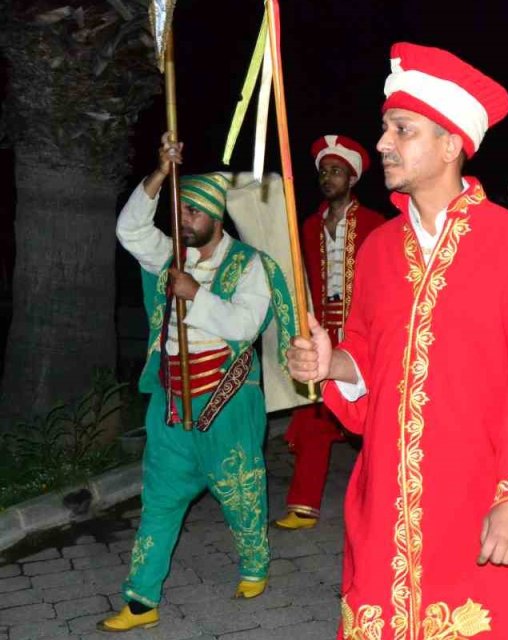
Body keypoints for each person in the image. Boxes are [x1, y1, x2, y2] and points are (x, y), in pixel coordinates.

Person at [285, 44, 508, 638]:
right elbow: (368, 362)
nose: (382, 144)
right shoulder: (377, 251)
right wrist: (334, 364)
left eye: (401, 130)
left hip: (482, 498)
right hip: (388, 503)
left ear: (451, 143)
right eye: (385, 129)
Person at [101, 134, 299, 631]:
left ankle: (255, 565)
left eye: (192, 212)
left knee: (241, 492)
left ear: (214, 216)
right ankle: (142, 601)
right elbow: (129, 229)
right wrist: (159, 173)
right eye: (179, 209)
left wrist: (195, 295)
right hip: (170, 404)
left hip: (227, 404)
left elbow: (243, 327)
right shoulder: (168, 254)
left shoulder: (248, 264)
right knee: (160, 501)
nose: (182, 219)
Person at [275, 134, 386, 531]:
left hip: (362, 334)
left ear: (352, 179)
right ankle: (303, 503)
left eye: (336, 171)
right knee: (314, 414)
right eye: (324, 171)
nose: (328, 177)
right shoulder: (304, 226)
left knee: (376, 417)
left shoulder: (377, 225)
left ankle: (381, 498)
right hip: (321, 331)